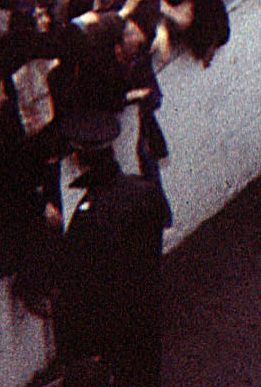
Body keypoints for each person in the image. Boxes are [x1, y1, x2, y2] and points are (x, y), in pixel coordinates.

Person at [52, 108, 171, 387]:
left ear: (79, 159)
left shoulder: (89, 215)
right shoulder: (145, 191)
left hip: (108, 335)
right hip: (145, 316)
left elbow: (76, 286)